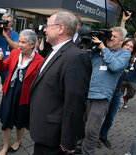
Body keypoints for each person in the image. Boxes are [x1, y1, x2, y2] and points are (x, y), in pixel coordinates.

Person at [29, 11, 92, 154]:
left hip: (55, 138)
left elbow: (75, 103)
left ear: (61, 28)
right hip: (43, 131)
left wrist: (68, 140)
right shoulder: (54, 50)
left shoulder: (76, 57)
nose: (44, 29)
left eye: (48, 25)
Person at [82, 26, 131, 155]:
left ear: (122, 41)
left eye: (114, 36)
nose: (111, 38)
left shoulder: (124, 53)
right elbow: (84, 61)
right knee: (80, 125)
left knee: (92, 130)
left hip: (101, 97)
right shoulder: (98, 51)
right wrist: (89, 46)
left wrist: (103, 48)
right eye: (110, 35)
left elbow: (115, 66)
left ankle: (87, 153)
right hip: (86, 93)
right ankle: (76, 149)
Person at [0, 29, 43, 155]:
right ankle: (5, 146)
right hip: (9, 93)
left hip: (24, 97)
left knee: (20, 122)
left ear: (32, 44)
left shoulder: (40, 61)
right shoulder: (15, 53)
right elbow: (3, 67)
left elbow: (40, 84)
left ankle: (17, 141)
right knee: (6, 121)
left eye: (24, 42)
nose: (20, 45)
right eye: (19, 41)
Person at [99, 38, 136, 149]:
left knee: (110, 117)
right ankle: (94, 137)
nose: (129, 48)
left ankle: (103, 135)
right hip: (107, 91)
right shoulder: (115, 57)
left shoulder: (130, 61)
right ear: (122, 44)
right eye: (127, 45)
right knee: (99, 115)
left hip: (118, 93)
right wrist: (123, 23)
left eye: (131, 47)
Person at [121, 44, 136, 109]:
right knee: (120, 92)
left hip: (134, 79)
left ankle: (125, 99)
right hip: (125, 76)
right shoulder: (132, 55)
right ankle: (119, 104)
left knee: (131, 94)